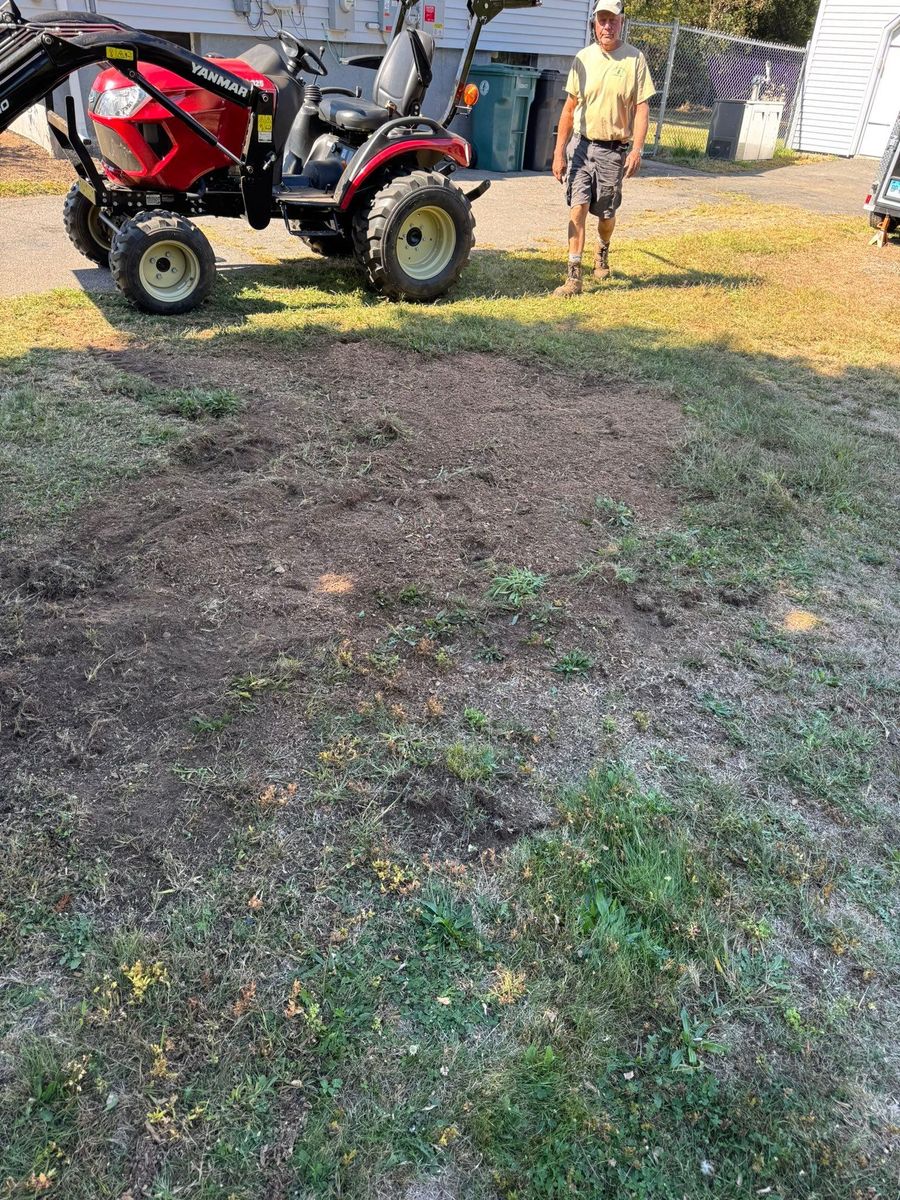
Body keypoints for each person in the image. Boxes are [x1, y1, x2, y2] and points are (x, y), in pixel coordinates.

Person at [551, 0, 655, 297]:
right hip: (582, 146)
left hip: (613, 151)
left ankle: (603, 249)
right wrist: (559, 152)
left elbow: (642, 108)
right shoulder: (582, 59)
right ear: (594, 23)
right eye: (602, 20)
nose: (607, 26)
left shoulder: (634, 60)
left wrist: (636, 149)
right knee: (577, 208)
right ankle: (574, 276)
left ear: (621, 22)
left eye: (613, 20)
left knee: (606, 215)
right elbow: (569, 109)